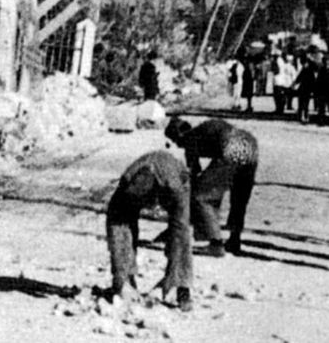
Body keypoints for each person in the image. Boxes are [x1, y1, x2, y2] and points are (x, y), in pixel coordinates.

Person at [103, 149, 194, 311]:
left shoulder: (174, 185)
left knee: (180, 231)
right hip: (143, 184)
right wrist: (121, 277)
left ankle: (180, 288)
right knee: (120, 218)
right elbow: (117, 225)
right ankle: (126, 282)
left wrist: (176, 275)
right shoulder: (127, 184)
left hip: (175, 181)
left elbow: (180, 229)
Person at [165, 116, 259, 256]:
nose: (177, 145)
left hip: (231, 148)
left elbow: (193, 178)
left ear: (178, 135)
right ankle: (234, 239)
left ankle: (215, 244)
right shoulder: (202, 130)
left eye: (174, 141)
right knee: (239, 199)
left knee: (202, 197)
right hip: (249, 145)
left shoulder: (189, 139)